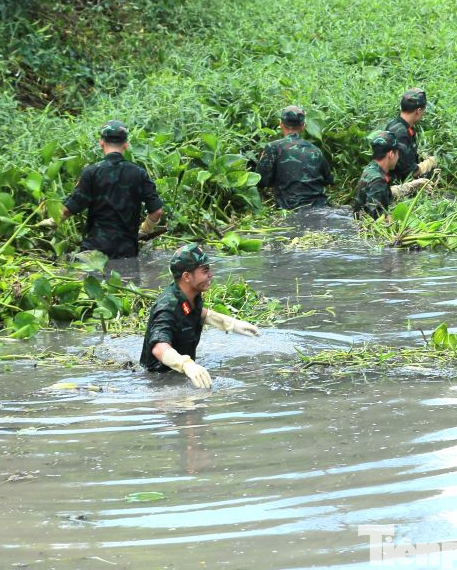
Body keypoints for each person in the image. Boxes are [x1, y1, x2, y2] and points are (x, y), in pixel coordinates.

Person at [140, 244, 260, 390]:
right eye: (205, 271)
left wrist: (228, 323)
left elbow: (192, 312)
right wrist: (186, 364)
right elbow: (158, 348)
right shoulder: (167, 308)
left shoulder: (189, 296)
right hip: (159, 381)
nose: (210, 275)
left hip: (180, 374)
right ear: (187, 276)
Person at [48, 120, 164, 259]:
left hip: (94, 251)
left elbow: (70, 209)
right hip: (126, 252)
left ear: (101, 142)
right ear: (126, 144)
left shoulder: (91, 172)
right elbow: (157, 212)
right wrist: (145, 230)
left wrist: (51, 222)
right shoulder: (139, 173)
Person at [257, 105, 333, 210]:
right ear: (303, 126)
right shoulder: (316, 150)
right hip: (320, 206)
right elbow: (329, 180)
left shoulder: (273, 147)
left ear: (281, 124)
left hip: (289, 207)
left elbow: (261, 181)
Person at [352, 131, 429, 218]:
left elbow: (383, 194)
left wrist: (412, 186)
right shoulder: (378, 180)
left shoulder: (371, 169)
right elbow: (378, 218)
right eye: (398, 153)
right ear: (391, 154)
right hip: (366, 228)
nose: (398, 157)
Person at [384, 87, 437, 183]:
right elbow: (411, 172)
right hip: (397, 185)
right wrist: (428, 164)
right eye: (424, 110)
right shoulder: (401, 133)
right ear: (418, 111)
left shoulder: (396, 124)